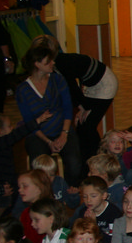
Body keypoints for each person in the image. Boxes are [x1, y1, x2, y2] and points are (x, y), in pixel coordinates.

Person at [32, 35, 118, 163]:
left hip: (104, 83)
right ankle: (87, 160)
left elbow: (71, 87)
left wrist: (84, 107)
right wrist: (82, 107)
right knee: (82, 125)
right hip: (91, 85)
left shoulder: (60, 63)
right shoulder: (55, 65)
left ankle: (99, 159)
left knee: (88, 125)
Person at [16, 43, 83, 185]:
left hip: (62, 129)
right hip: (38, 134)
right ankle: (44, 192)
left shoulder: (58, 80)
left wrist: (64, 134)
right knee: (39, 165)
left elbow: (67, 108)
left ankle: (69, 190)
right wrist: (48, 141)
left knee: (74, 163)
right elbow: (29, 121)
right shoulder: (23, 90)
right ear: (37, 64)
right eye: (48, 61)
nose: (53, 63)